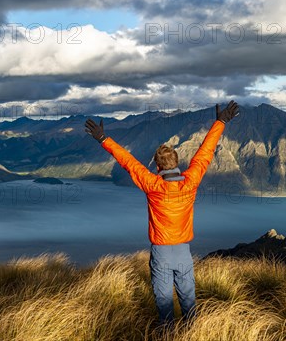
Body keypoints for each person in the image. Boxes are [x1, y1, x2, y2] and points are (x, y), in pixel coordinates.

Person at [84, 101, 239, 325]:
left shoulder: (153, 185)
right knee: (188, 301)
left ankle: (167, 334)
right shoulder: (190, 182)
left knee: (164, 303)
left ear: (158, 167)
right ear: (177, 163)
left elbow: (128, 162)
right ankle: (193, 333)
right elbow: (206, 152)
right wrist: (221, 122)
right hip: (184, 252)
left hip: (161, 254)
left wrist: (103, 139)